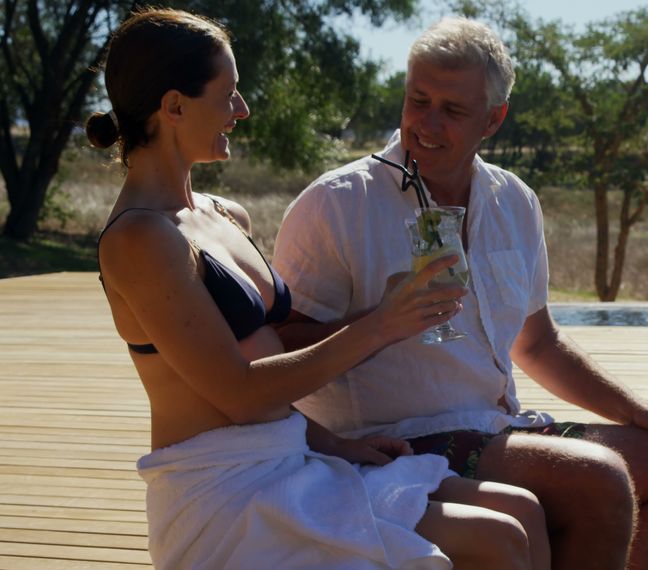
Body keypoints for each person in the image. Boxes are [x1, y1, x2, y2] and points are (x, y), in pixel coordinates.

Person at [89, 8, 550, 569]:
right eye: (229, 94)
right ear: (175, 106)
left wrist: (338, 445)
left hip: (293, 455)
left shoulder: (222, 214)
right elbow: (238, 393)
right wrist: (382, 323)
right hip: (225, 488)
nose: (242, 109)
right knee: (498, 540)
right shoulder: (139, 238)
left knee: (521, 513)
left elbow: (267, 374)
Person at [273, 16, 648, 569]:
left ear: (494, 119)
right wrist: (380, 321)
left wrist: (642, 411)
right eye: (418, 100)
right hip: (394, 442)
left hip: (498, 429)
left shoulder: (514, 200)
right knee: (597, 480)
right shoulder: (337, 204)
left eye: (452, 109)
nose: (427, 123)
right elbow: (282, 349)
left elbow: (537, 346)